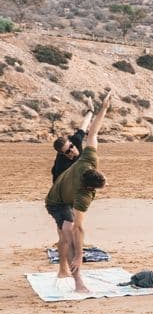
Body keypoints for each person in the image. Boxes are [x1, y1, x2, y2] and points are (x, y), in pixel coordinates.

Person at [44, 91, 113, 293]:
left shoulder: (88, 159)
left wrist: (103, 109)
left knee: (69, 236)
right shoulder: (82, 196)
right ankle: (77, 281)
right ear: (91, 188)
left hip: (67, 193)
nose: (71, 151)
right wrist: (80, 254)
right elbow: (78, 229)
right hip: (56, 201)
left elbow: (92, 132)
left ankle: (66, 268)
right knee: (69, 237)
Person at [50, 95, 96, 275]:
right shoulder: (61, 166)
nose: (72, 151)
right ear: (62, 154)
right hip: (60, 194)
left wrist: (90, 109)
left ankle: (75, 258)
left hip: (74, 191)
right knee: (65, 232)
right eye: (67, 152)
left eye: (71, 147)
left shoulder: (75, 141)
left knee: (76, 228)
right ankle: (63, 269)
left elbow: (84, 125)